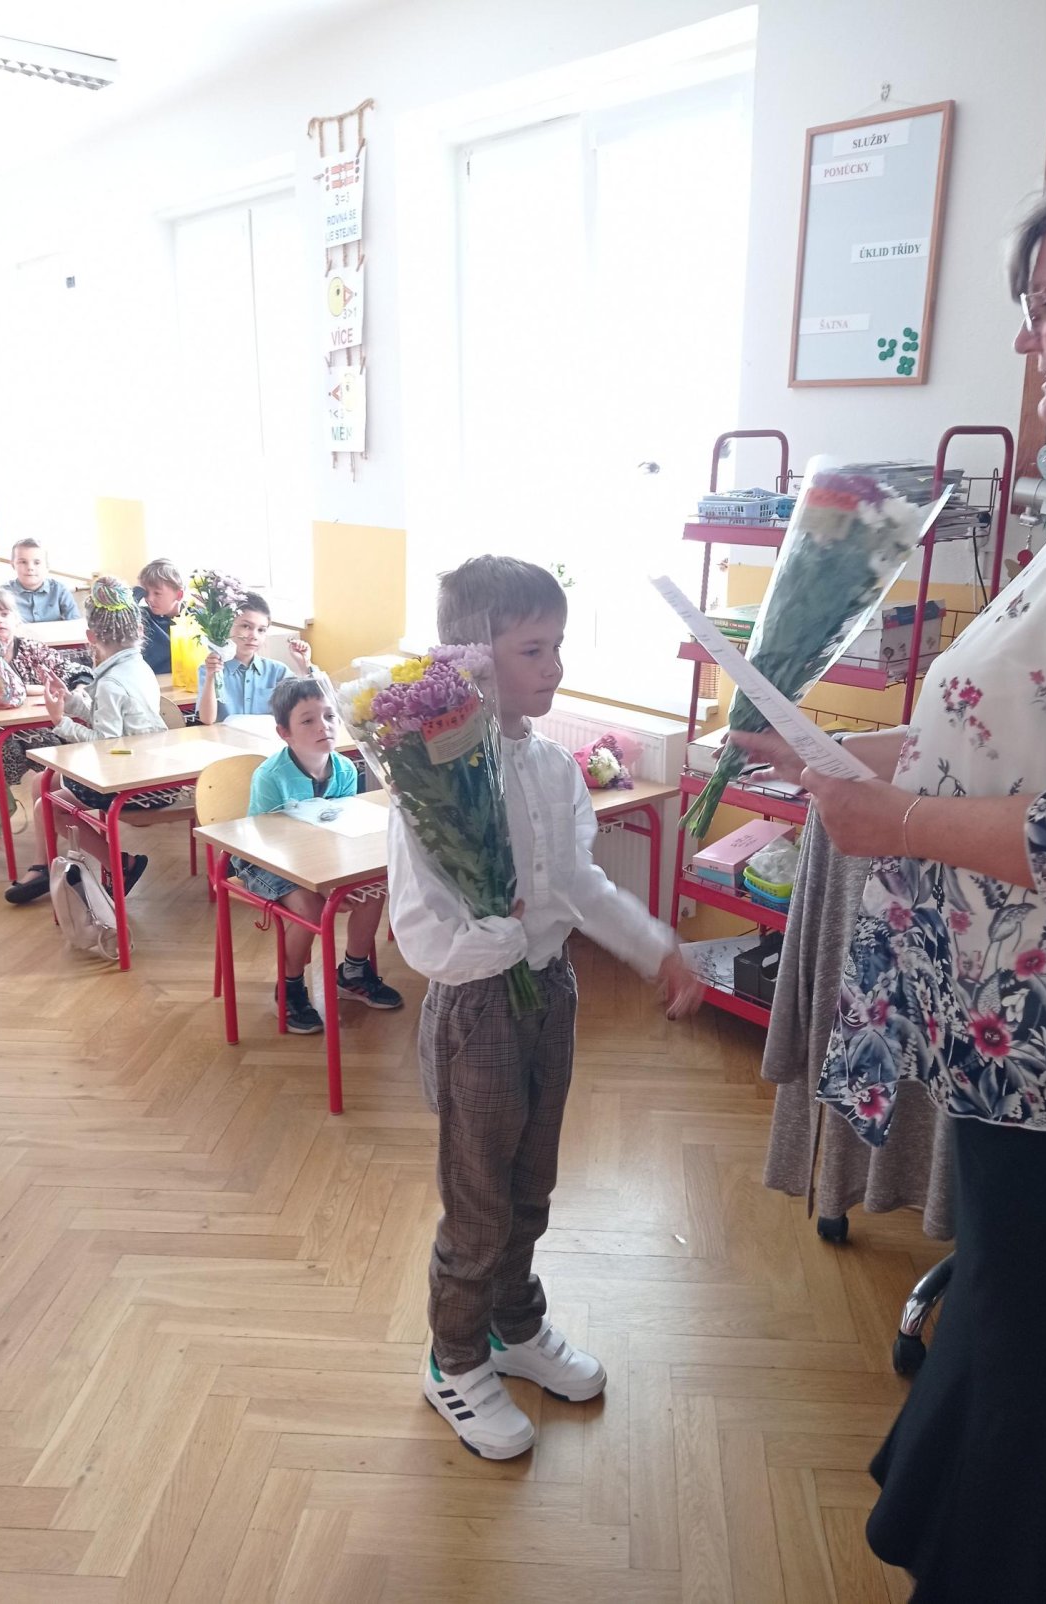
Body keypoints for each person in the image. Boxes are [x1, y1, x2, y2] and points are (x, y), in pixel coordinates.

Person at [734, 143, 1046, 1602]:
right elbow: (1017, 723)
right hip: (1032, 1049)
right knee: (1019, 1356)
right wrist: (856, 749)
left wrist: (904, 825)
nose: (1028, 336)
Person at [388, 556, 703, 1461]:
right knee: (478, 1204)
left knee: (532, 1185)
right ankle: (453, 1358)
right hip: (478, 1009)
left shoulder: (554, 765)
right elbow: (420, 926)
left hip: (548, 996)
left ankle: (512, 1325)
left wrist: (655, 946)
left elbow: (578, 884)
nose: (555, 666)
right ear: (471, 659)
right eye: (533, 649)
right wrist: (500, 935)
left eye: (557, 645)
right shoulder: (428, 776)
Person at [235, 677, 403, 1033]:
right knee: (309, 908)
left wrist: (334, 877)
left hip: (321, 857)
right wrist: (322, 885)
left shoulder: (345, 769)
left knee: (372, 890)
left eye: (329, 716)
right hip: (264, 859)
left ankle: (354, 972)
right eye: (308, 720)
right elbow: (268, 842)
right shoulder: (271, 777)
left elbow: (340, 828)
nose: (323, 726)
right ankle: (290, 986)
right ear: (285, 733)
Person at [4, 577, 174, 906]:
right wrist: (70, 701)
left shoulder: (111, 681)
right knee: (43, 784)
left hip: (137, 782)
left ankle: (120, 864)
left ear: (91, 636)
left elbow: (105, 743)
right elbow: (110, 722)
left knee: (48, 805)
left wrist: (61, 722)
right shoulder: (135, 666)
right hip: (144, 767)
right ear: (139, 631)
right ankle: (51, 866)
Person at [0, 587, 90, 791]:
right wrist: (30, 689)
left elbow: (76, 672)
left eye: (5, 614)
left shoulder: (31, 649)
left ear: (16, 619)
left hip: (34, 725)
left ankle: (59, 800)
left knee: (55, 745)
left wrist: (79, 689)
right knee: (7, 753)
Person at [196, 591, 315, 724]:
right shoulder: (210, 670)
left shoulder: (277, 671)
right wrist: (211, 676)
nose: (254, 636)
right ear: (226, 625)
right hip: (226, 737)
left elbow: (309, 707)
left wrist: (304, 665)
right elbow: (207, 719)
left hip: (266, 736)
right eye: (246, 626)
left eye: (261, 630)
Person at [3, 538, 81, 623]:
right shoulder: (3, 594)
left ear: (47, 566)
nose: (30, 568)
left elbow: (75, 624)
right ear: (13, 565)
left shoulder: (60, 591)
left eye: (37, 563)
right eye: (23, 562)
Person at [136, 559, 185, 675]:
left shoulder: (195, 619)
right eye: (146, 593)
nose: (149, 599)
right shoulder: (143, 617)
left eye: (157, 593)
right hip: (153, 682)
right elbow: (120, 613)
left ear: (179, 595)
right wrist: (136, 593)